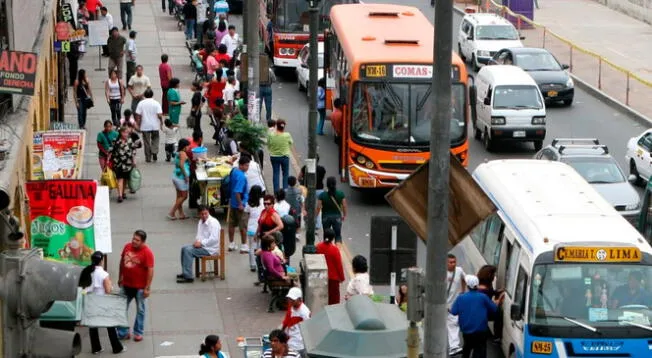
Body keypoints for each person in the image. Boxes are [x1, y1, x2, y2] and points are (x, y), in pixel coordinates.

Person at [78, 251, 127, 354]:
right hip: (102, 302)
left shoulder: (87, 271)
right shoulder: (104, 274)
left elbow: (83, 287)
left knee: (93, 326)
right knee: (110, 325)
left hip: (90, 301)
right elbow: (108, 290)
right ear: (101, 261)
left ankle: (96, 348)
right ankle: (116, 347)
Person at [450, 275, 504, 358]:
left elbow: (453, 312)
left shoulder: (461, 298)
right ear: (477, 285)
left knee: (467, 347)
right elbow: (494, 309)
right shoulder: (483, 297)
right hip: (481, 330)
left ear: (467, 286)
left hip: (466, 330)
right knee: (480, 350)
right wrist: (498, 300)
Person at [117, 230, 155, 342]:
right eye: (133, 238)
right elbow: (121, 262)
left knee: (140, 310)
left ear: (143, 242)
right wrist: (120, 277)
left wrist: (147, 287)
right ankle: (123, 331)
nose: (134, 241)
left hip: (140, 287)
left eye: (137, 240)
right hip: (126, 285)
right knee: (121, 308)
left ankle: (138, 332)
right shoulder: (127, 247)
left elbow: (150, 270)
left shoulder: (147, 252)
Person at [177, 205, 221, 283]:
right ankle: (185, 272)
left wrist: (201, 243)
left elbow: (214, 239)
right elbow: (199, 235)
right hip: (202, 246)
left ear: (208, 212)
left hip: (210, 248)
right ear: (199, 214)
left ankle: (188, 277)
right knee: (184, 248)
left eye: (205, 213)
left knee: (188, 251)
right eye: (202, 214)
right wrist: (197, 242)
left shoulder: (213, 223)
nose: (204, 216)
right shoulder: (200, 221)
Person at [316, 229, 345, 305]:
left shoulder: (318, 247)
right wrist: (342, 278)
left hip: (321, 277)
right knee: (333, 302)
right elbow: (339, 265)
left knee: (321, 299)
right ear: (333, 238)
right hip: (333, 280)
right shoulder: (335, 250)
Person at [228, 156, 250, 252]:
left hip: (232, 203)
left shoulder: (234, 171)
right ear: (241, 165)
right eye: (246, 165)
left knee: (231, 224)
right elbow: (238, 191)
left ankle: (231, 244)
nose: (247, 167)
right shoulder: (241, 176)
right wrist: (241, 204)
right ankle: (244, 246)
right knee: (243, 226)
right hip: (240, 204)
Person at [134, 88, 163, 162]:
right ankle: (154, 151)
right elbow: (159, 115)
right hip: (155, 125)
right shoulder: (156, 103)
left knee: (146, 142)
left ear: (145, 95)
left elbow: (138, 115)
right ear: (152, 95)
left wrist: (137, 123)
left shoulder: (141, 103)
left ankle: (148, 158)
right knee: (156, 139)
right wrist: (161, 122)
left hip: (145, 125)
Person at [298, 154, 326, 230]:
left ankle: (308, 223)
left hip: (308, 190)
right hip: (319, 190)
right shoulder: (322, 169)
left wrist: (302, 182)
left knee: (307, 207)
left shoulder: (305, 168)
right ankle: (317, 225)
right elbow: (322, 178)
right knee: (318, 208)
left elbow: (299, 177)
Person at [109, 126, 136, 203]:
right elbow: (110, 150)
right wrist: (108, 159)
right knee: (120, 178)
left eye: (127, 132)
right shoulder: (116, 141)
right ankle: (120, 195)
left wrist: (134, 161)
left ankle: (123, 192)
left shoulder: (130, 141)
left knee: (125, 179)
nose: (126, 134)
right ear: (121, 133)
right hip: (118, 163)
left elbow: (133, 151)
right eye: (124, 132)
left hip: (128, 163)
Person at [446, 254, 466, 356]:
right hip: (444, 304)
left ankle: (454, 346)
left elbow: (464, 279)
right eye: (451, 262)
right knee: (450, 324)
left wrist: (463, 291)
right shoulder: (441, 273)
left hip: (454, 304)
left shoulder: (459, 270)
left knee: (452, 323)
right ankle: (453, 346)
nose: (453, 264)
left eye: (454, 262)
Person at [317, 177, 347, 243]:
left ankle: (327, 250)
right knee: (338, 235)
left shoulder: (322, 195)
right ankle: (337, 251)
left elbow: (318, 207)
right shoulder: (341, 194)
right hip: (337, 217)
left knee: (326, 235)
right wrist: (344, 215)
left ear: (327, 185)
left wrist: (315, 216)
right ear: (335, 184)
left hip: (325, 217)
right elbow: (344, 206)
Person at [283, 287, 311, 357]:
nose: (290, 301)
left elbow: (308, 329)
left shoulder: (305, 312)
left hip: (299, 345)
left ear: (299, 299)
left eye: (292, 299)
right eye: (289, 299)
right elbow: (286, 322)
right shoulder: (291, 307)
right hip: (289, 341)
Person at [268, 119, 293, 194]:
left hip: (274, 156)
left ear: (276, 126)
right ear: (284, 126)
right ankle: (285, 191)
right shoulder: (287, 135)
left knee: (276, 173)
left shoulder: (271, 134)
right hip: (285, 157)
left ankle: (276, 192)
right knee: (285, 174)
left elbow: (268, 144)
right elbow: (291, 143)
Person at [168, 138, 191, 220]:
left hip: (176, 176)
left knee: (179, 196)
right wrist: (186, 176)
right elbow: (181, 165)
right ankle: (172, 212)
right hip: (181, 178)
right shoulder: (183, 154)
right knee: (184, 196)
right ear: (184, 146)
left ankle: (181, 214)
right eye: (188, 146)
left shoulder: (178, 153)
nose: (189, 148)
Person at [245, 185, 265, 272]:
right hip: (260, 227)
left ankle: (252, 265)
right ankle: (260, 263)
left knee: (251, 247)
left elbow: (247, 214)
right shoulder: (263, 202)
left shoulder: (249, 203)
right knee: (260, 246)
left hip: (251, 227)